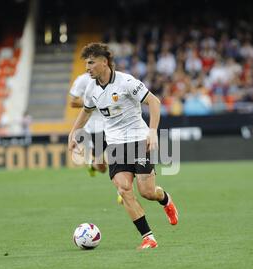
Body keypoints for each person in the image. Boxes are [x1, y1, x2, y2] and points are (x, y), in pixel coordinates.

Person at [68, 43, 179, 250]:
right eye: (86, 63)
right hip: (115, 144)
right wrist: (74, 133)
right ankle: (148, 237)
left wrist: (153, 131)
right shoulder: (91, 88)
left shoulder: (126, 82)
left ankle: (164, 199)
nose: (87, 68)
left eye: (91, 63)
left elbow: (154, 102)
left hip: (138, 139)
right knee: (124, 189)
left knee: (147, 192)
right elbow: (85, 111)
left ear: (104, 62)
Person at [69, 72, 107, 177]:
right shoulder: (83, 79)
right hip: (96, 126)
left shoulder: (117, 78)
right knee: (102, 167)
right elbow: (73, 102)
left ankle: (122, 192)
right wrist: (93, 102)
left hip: (113, 123)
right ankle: (93, 165)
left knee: (120, 158)